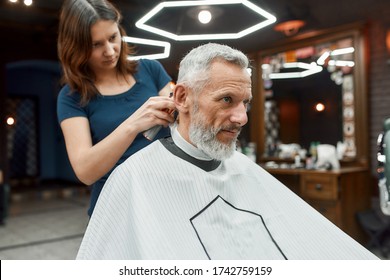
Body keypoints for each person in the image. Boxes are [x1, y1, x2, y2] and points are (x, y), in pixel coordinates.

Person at [76, 43, 378, 260]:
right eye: (226, 100)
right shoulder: (134, 177)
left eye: (244, 102)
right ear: (182, 96)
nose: (241, 117)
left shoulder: (243, 168)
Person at [56, 0, 176, 216]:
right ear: (76, 46)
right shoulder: (71, 97)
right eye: (96, 44)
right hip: (115, 207)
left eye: (113, 38)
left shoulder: (150, 69)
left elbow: (180, 126)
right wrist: (133, 125)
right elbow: (85, 171)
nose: (110, 51)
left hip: (166, 194)